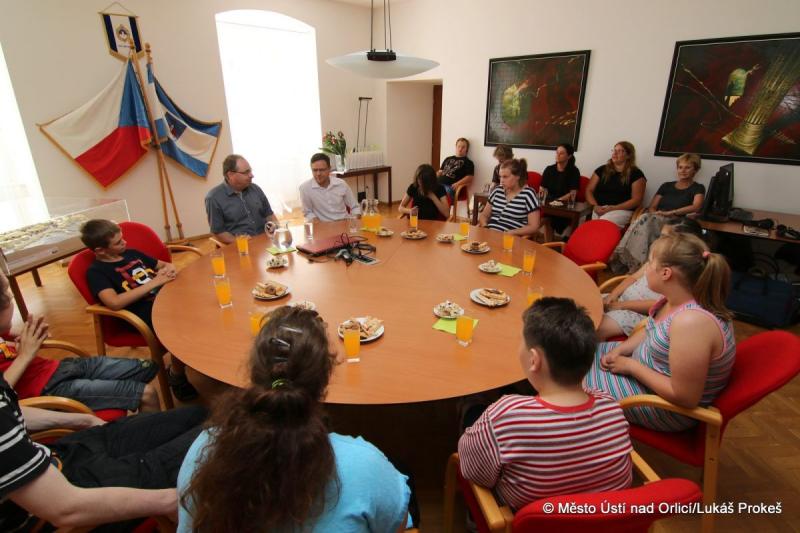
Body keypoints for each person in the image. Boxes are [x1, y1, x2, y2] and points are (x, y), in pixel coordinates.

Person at [178, 306, 412, 532]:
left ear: (254, 372)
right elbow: (397, 526)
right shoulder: (364, 466)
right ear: (325, 381)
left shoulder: (204, 451)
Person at [0, 284, 206, 530]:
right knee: (214, 439)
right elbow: (66, 509)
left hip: (62, 452)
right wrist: (168, 501)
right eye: (8, 296)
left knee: (199, 414)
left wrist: (82, 420)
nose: (11, 301)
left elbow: (10, 412)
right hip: (72, 490)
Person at [458, 298, 632, 512]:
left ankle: (473, 519)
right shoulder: (612, 407)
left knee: (472, 406)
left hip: (523, 518)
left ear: (534, 360)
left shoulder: (505, 415)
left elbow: (474, 472)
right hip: (603, 520)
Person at [585, 232, 736, 431]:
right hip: (643, 377)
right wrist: (620, 350)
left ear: (666, 273)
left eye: (650, 263)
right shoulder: (673, 300)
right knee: (574, 351)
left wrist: (631, 366)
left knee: (561, 377)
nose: (646, 269)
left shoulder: (692, 323)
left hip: (663, 406)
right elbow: (649, 330)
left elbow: (685, 397)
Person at [0, 273, 160, 412]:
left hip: (58, 368)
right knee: (147, 393)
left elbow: (13, 334)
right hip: (46, 390)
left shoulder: (3, 329)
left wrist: (32, 335)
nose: (11, 298)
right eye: (7, 294)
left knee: (149, 367)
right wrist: (25, 355)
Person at [80, 219, 196, 401]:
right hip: (142, 314)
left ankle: (201, 357)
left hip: (168, 300)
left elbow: (165, 264)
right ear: (100, 250)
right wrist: (154, 282)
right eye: (118, 242)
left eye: (122, 238)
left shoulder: (132, 254)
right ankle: (176, 374)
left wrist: (169, 270)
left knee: (204, 307)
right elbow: (114, 303)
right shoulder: (96, 272)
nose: (124, 242)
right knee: (185, 326)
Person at [598, 218, 704, 340]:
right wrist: (613, 294)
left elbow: (660, 304)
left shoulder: (680, 276)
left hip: (637, 314)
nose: (658, 240)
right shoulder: (658, 259)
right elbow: (633, 277)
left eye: (664, 237)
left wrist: (621, 305)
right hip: (620, 301)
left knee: (598, 327)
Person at [608, 153, 705, 274]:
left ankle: (626, 260)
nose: (683, 171)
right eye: (680, 167)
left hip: (676, 221)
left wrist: (672, 212)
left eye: (687, 167)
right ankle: (637, 264)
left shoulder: (698, 188)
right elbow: (652, 206)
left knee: (644, 220)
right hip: (657, 217)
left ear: (695, 170)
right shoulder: (666, 186)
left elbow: (696, 206)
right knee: (646, 219)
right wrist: (657, 214)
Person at [205, 154, 280, 245]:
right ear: (230, 175)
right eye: (246, 172)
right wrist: (239, 241)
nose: (251, 175)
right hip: (240, 247)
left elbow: (269, 215)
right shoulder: (213, 198)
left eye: (250, 171)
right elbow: (218, 232)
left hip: (265, 242)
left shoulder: (255, 189)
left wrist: (277, 230)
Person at [586, 141, 646, 228]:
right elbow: (589, 190)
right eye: (614, 150)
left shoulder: (636, 174)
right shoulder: (602, 169)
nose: (615, 153)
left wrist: (613, 208)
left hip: (622, 210)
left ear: (628, 155)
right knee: (587, 224)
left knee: (602, 222)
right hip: (598, 208)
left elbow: (637, 200)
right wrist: (595, 206)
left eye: (620, 151)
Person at [478, 158, 541, 237]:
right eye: (500, 177)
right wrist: (485, 226)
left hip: (510, 239)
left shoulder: (528, 194)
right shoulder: (497, 191)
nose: (501, 181)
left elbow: (534, 226)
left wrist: (512, 232)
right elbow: (484, 215)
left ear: (517, 176)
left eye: (505, 177)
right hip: (489, 235)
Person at [299, 153, 361, 222]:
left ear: (329, 169)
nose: (318, 174)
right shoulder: (305, 188)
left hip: (344, 223)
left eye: (322, 170)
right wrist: (316, 222)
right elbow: (307, 212)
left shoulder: (341, 184)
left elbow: (355, 207)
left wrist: (353, 221)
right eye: (315, 170)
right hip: (322, 226)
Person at [540, 142, 581, 235]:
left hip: (565, 204)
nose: (558, 155)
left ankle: (528, 234)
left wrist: (557, 201)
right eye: (557, 152)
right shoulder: (549, 169)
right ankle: (544, 241)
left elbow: (572, 193)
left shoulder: (574, 171)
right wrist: (548, 199)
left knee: (548, 218)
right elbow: (542, 188)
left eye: (561, 153)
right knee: (546, 216)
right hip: (549, 202)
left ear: (569, 156)